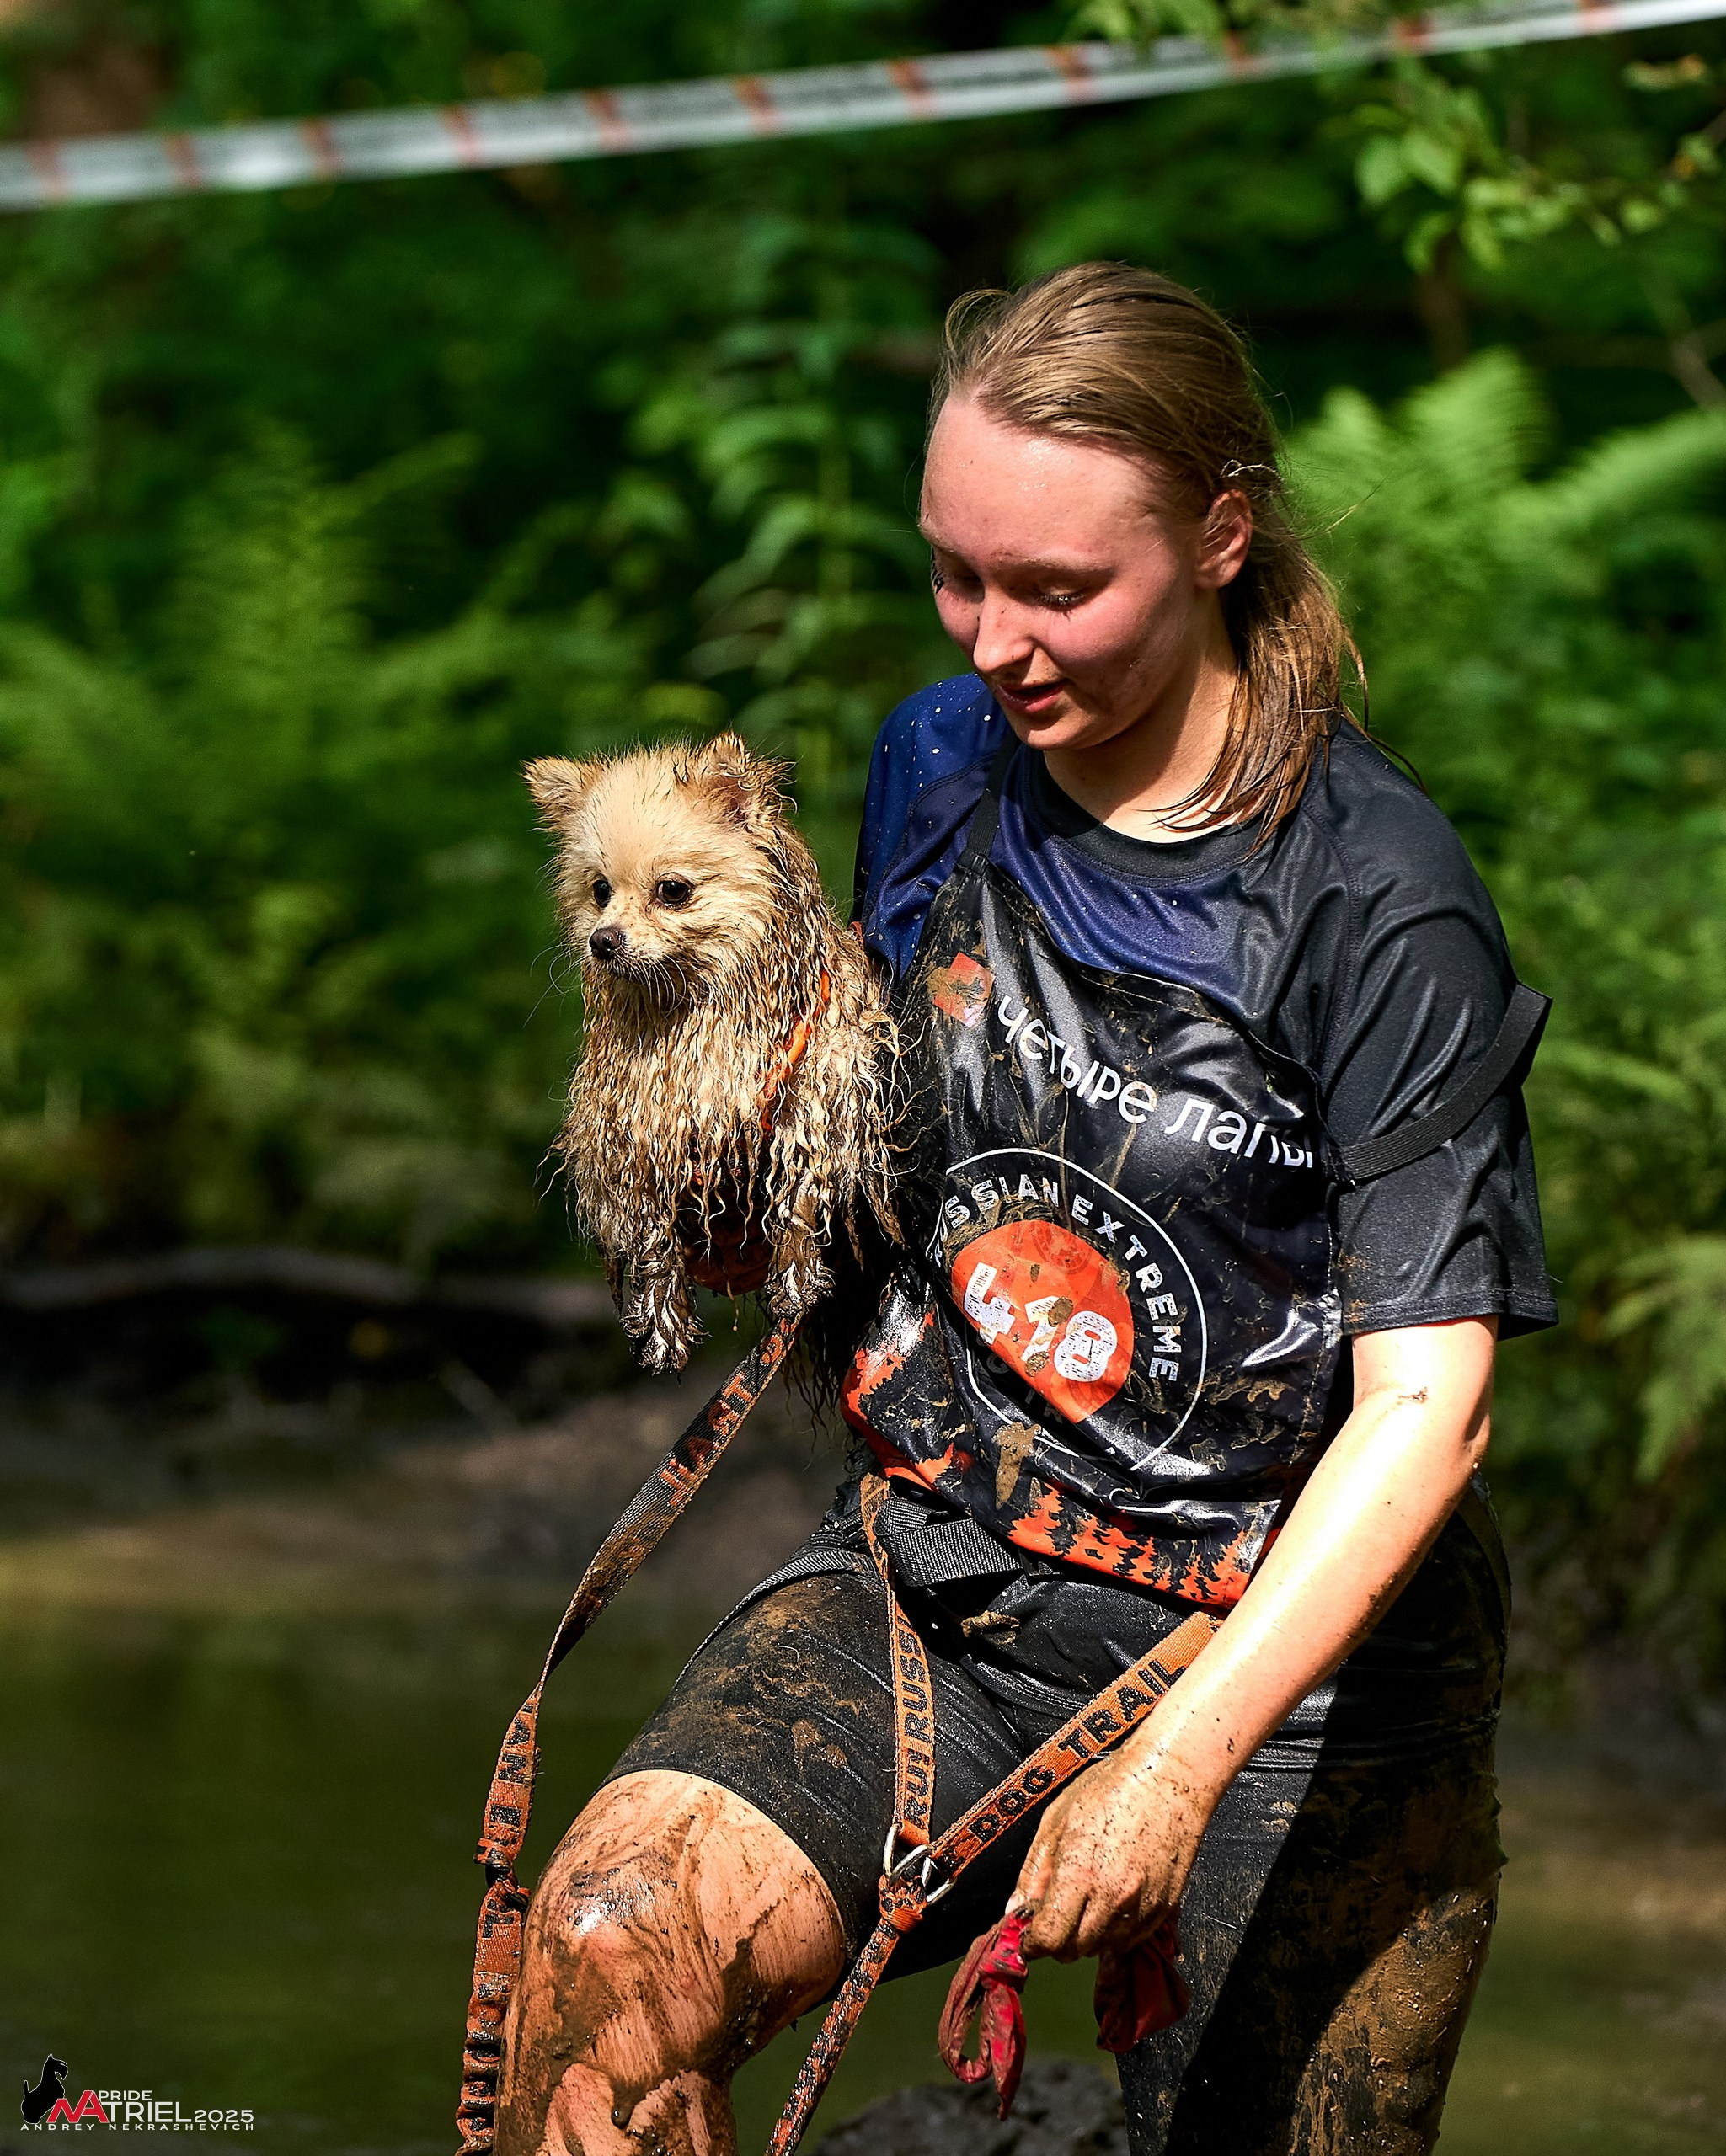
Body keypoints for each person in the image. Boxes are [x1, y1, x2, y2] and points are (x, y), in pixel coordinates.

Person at [495, 262, 1556, 2156]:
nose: (992, 638)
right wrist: (731, 1159)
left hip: (1285, 1667)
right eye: (953, 572)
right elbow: (886, 1181)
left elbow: (1431, 1400)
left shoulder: (1368, 894)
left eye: (1058, 587)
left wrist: (1168, 1772)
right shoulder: (933, 764)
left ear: (1221, 536)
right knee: (604, 1959)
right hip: (948, 1580)